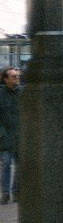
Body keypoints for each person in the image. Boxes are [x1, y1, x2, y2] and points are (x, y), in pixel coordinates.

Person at [0, 67, 21, 204]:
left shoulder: (22, 92)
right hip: (5, 135)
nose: (17, 78)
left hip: (20, 135)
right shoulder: (1, 94)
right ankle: (6, 192)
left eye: (17, 76)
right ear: (5, 79)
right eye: (13, 76)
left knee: (20, 165)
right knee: (6, 163)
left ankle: (16, 191)